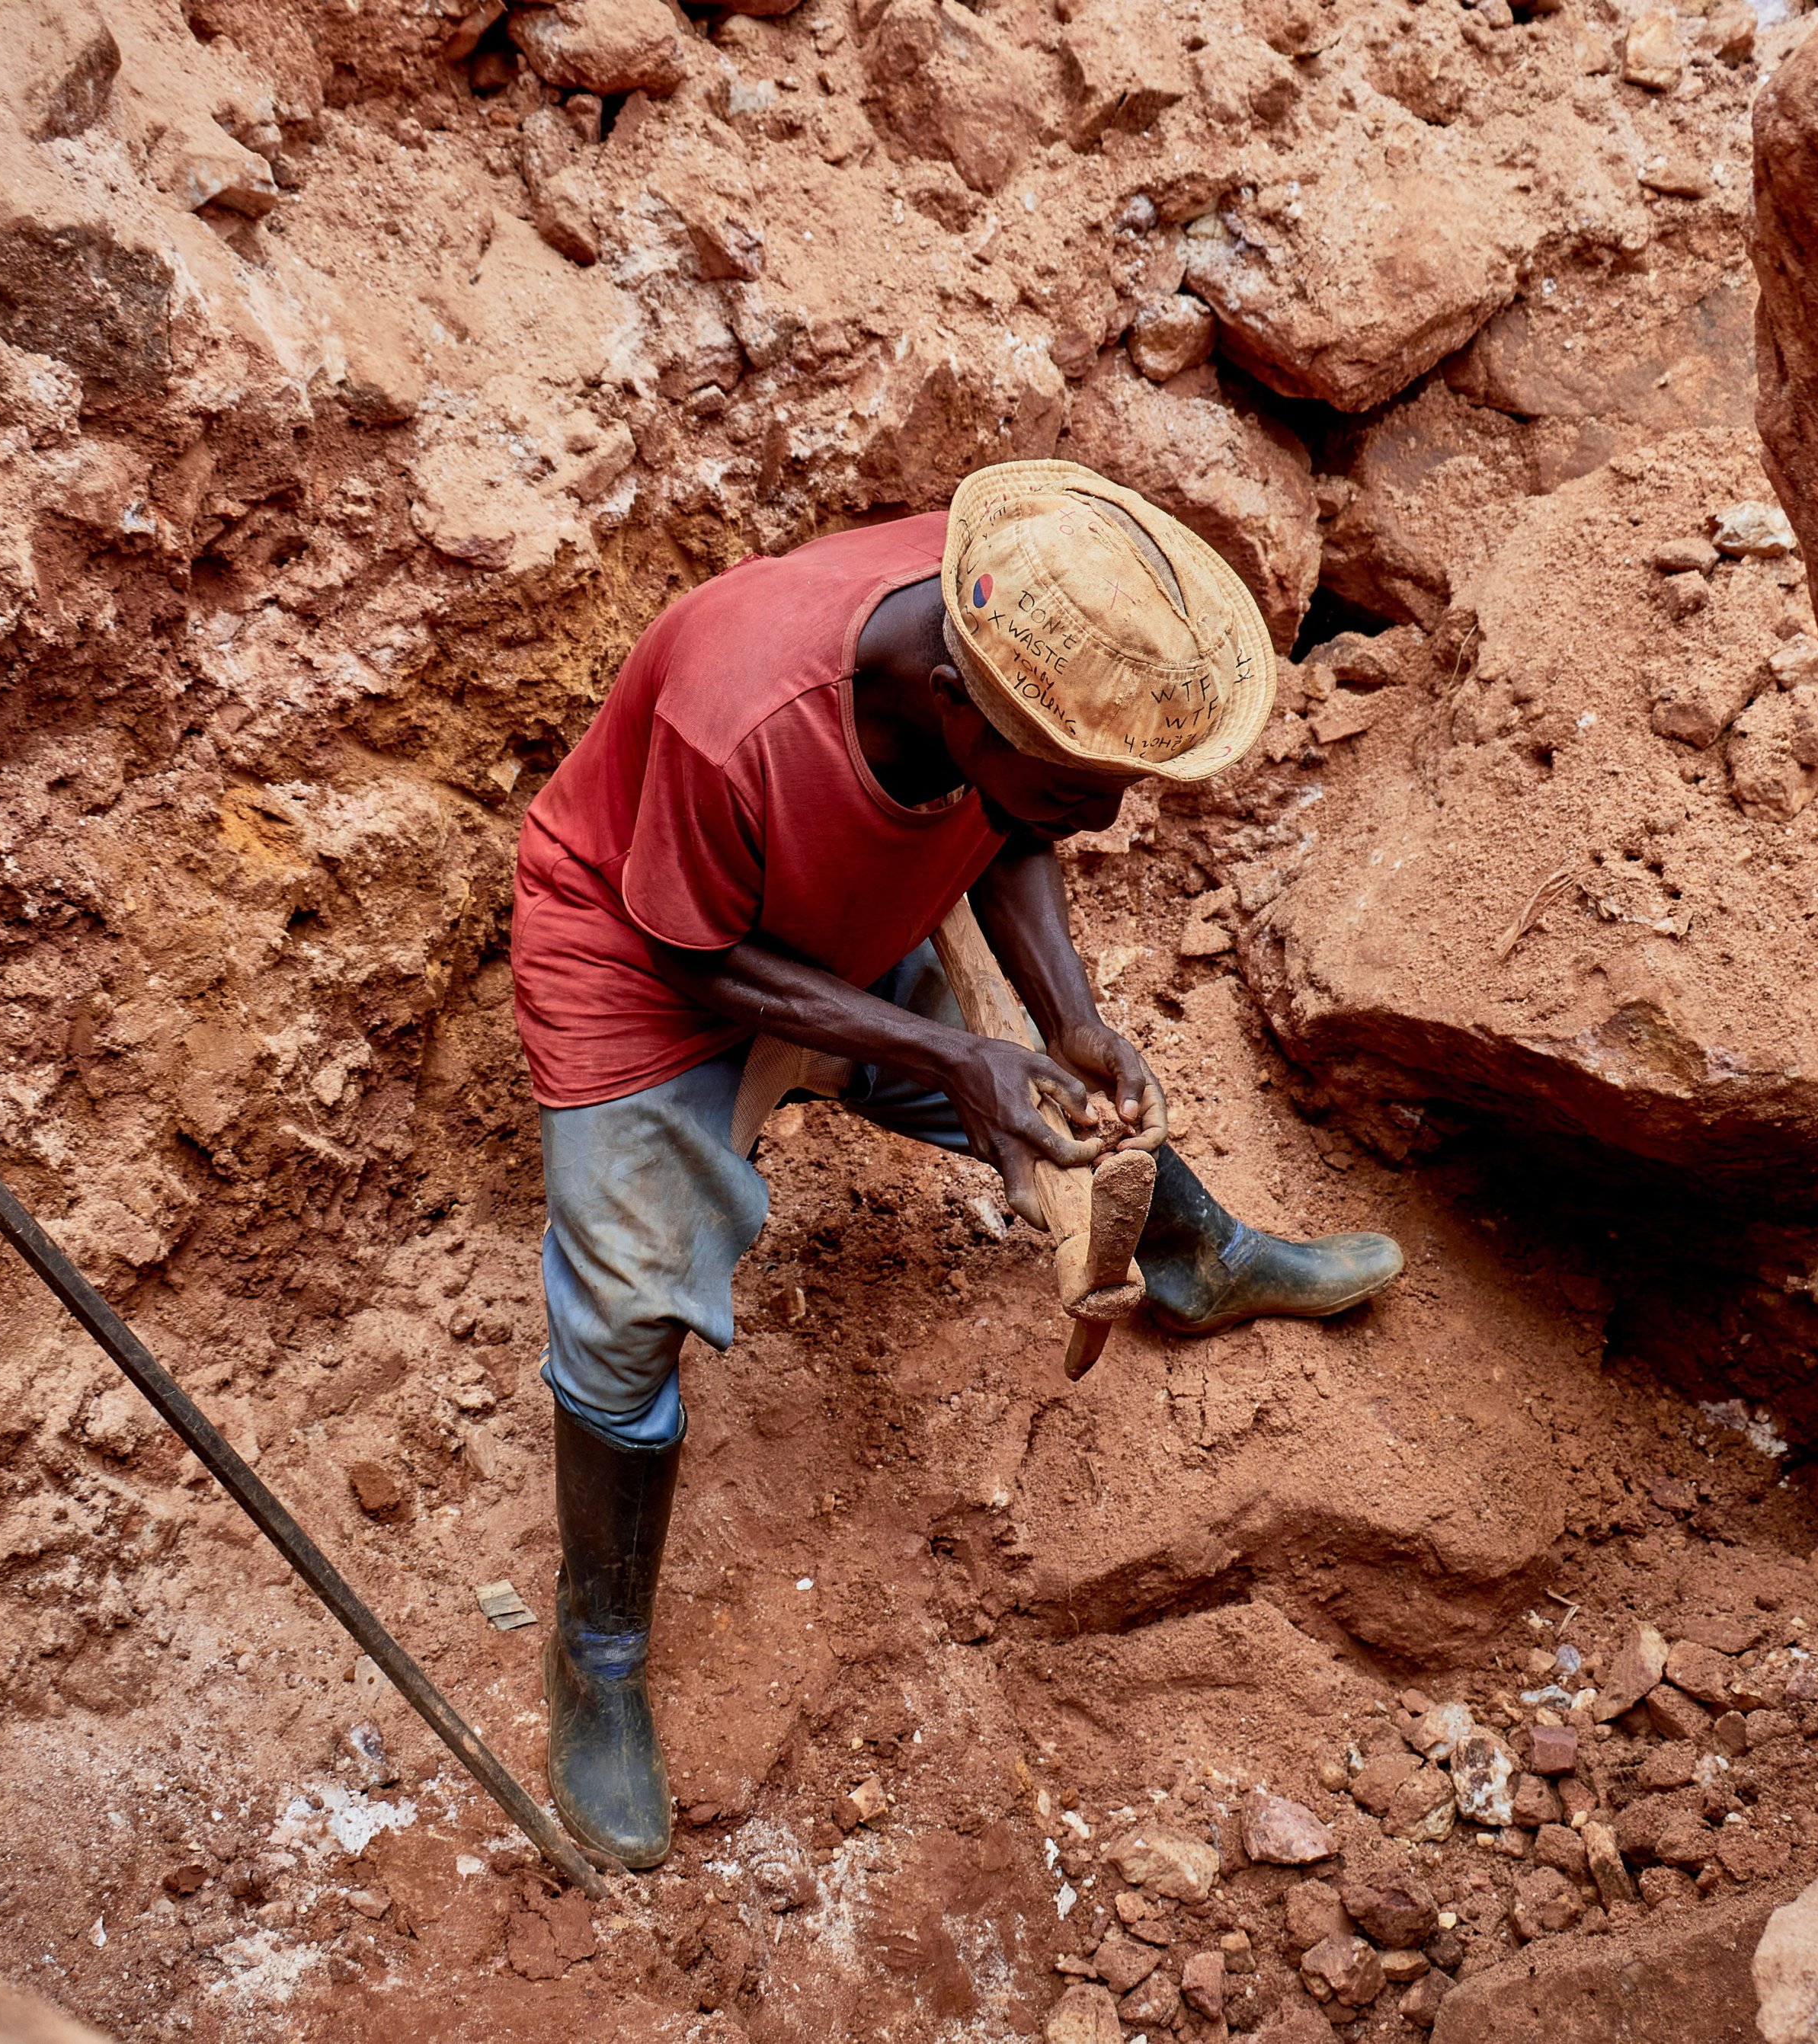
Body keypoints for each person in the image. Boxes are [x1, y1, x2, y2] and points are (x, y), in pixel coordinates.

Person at [507, 460, 1404, 1869]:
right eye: (1080, 789)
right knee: (625, 1304)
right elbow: (691, 946)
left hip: (832, 913)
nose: (1103, 823)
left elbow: (1010, 822)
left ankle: (1194, 1262)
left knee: (1057, 1105)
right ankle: (599, 1648)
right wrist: (953, 1056)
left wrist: (1066, 1021)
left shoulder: (1021, 612)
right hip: (646, 948)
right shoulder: (734, 709)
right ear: (951, 703)